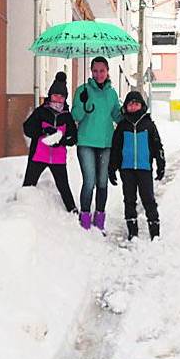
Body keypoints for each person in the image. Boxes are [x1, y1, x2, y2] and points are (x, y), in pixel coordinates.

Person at [71, 56, 122, 232]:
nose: (98, 74)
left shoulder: (112, 93)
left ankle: (99, 219)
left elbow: (117, 116)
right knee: (89, 181)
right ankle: (85, 218)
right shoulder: (82, 90)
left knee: (102, 182)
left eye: (102, 70)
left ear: (107, 71)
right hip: (85, 142)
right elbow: (76, 116)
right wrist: (82, 103)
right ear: (91, 72)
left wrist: (134, 116)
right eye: (95, 71)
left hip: (106, 143)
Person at [108, 91, 165, 240]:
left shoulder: (149, 125)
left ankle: (155, 230)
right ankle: (132, 231)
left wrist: (161, 164)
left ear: (142, 105)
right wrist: (112, 168)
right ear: (126, 106)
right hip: (126, 169)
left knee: (148, 198)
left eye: (136, 103)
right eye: (130, 104)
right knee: (129, 199)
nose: (133, 106)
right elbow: (116, 149)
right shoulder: (122, 126)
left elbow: (157, 145)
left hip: (144, 168)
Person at [22, 71, 78, 213]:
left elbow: (74, 137)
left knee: (64, 187)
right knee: (28, 187)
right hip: (38, 156)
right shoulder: (41, 112)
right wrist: (43, 132)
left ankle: (73, 211)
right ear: (50, 96)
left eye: (61, 97)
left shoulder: (67, 116)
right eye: (55, 96)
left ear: (65, 98)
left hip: (58, 159)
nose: (58, 100)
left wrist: (62, 140)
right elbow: (27, 128)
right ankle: (20, 211)